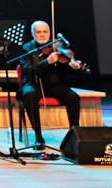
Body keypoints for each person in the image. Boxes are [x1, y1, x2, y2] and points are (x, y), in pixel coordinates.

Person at [18, 20, 82, 149]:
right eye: (38, 32)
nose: (42, 35)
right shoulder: (26, 48)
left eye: (45, 32)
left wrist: (73, 67)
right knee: (29, 95)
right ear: (32, 33)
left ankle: (74, 134)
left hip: (54, 85)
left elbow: (66, 73)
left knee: (73, 97)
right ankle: (38, 137)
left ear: (50, 33)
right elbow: (29, 71)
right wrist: (47, 62)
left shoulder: (57, 47)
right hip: (34, 84)